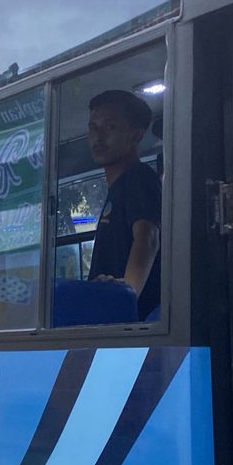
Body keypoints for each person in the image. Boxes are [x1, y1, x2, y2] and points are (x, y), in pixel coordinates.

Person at [86, 89, 162, 319]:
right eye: (93, 128)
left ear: (136, 136)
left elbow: (148, 238)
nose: (98, 137)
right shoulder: (117, 190)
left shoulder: (139, 178)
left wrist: (123, 302)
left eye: (110, 127)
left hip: (133, 326)